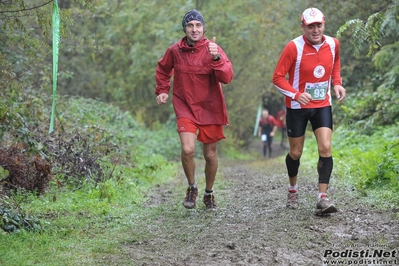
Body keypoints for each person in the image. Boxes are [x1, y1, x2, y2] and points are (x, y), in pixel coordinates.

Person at [155, 9, 234, 211]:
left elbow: (227, 77)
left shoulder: (213, 49)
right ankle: (192, 187)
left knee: (210, 155)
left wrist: (216, 59)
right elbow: (163, 69)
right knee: (188, 149)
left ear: (204, 29)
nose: (194, 29)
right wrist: (163, 90)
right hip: (185, 106)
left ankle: (208, 193)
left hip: (210, 106)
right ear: (185, 29)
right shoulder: (174, 50)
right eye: (190, 25)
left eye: (198, 25)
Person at [272, 7, 346, 215]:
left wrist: (337, 83)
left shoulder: (333, 44)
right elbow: (277, 78)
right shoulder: (293, 47)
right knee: (296, 152)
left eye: (318, 25)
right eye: (310, 26)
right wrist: (296, 94)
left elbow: (336, 63)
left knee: (325, 147)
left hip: (322, 103)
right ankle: (293, 189)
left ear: (324, 24)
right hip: (297, 107)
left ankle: (322, 197)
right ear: (302, 26)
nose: (315, 30)